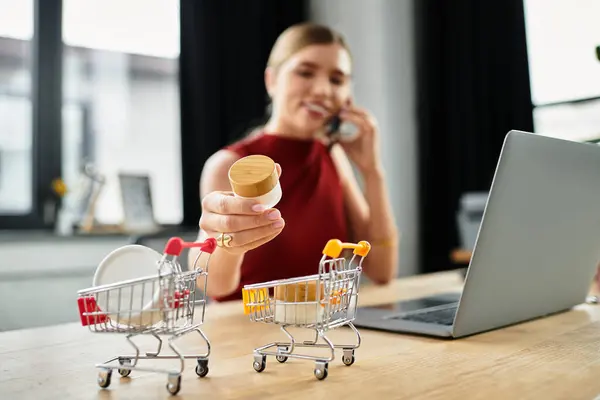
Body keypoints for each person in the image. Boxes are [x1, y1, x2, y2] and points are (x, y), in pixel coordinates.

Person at [189, 23, 399, 301]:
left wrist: (373, 172)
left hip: (319, 329)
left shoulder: (332, 158)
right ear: (271, 80)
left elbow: (382, 270)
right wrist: (227, 243)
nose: (322, 90)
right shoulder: (230, 164)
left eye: (336, 80)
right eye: (305, 72)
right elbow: (215, 287)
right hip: (250, 333)